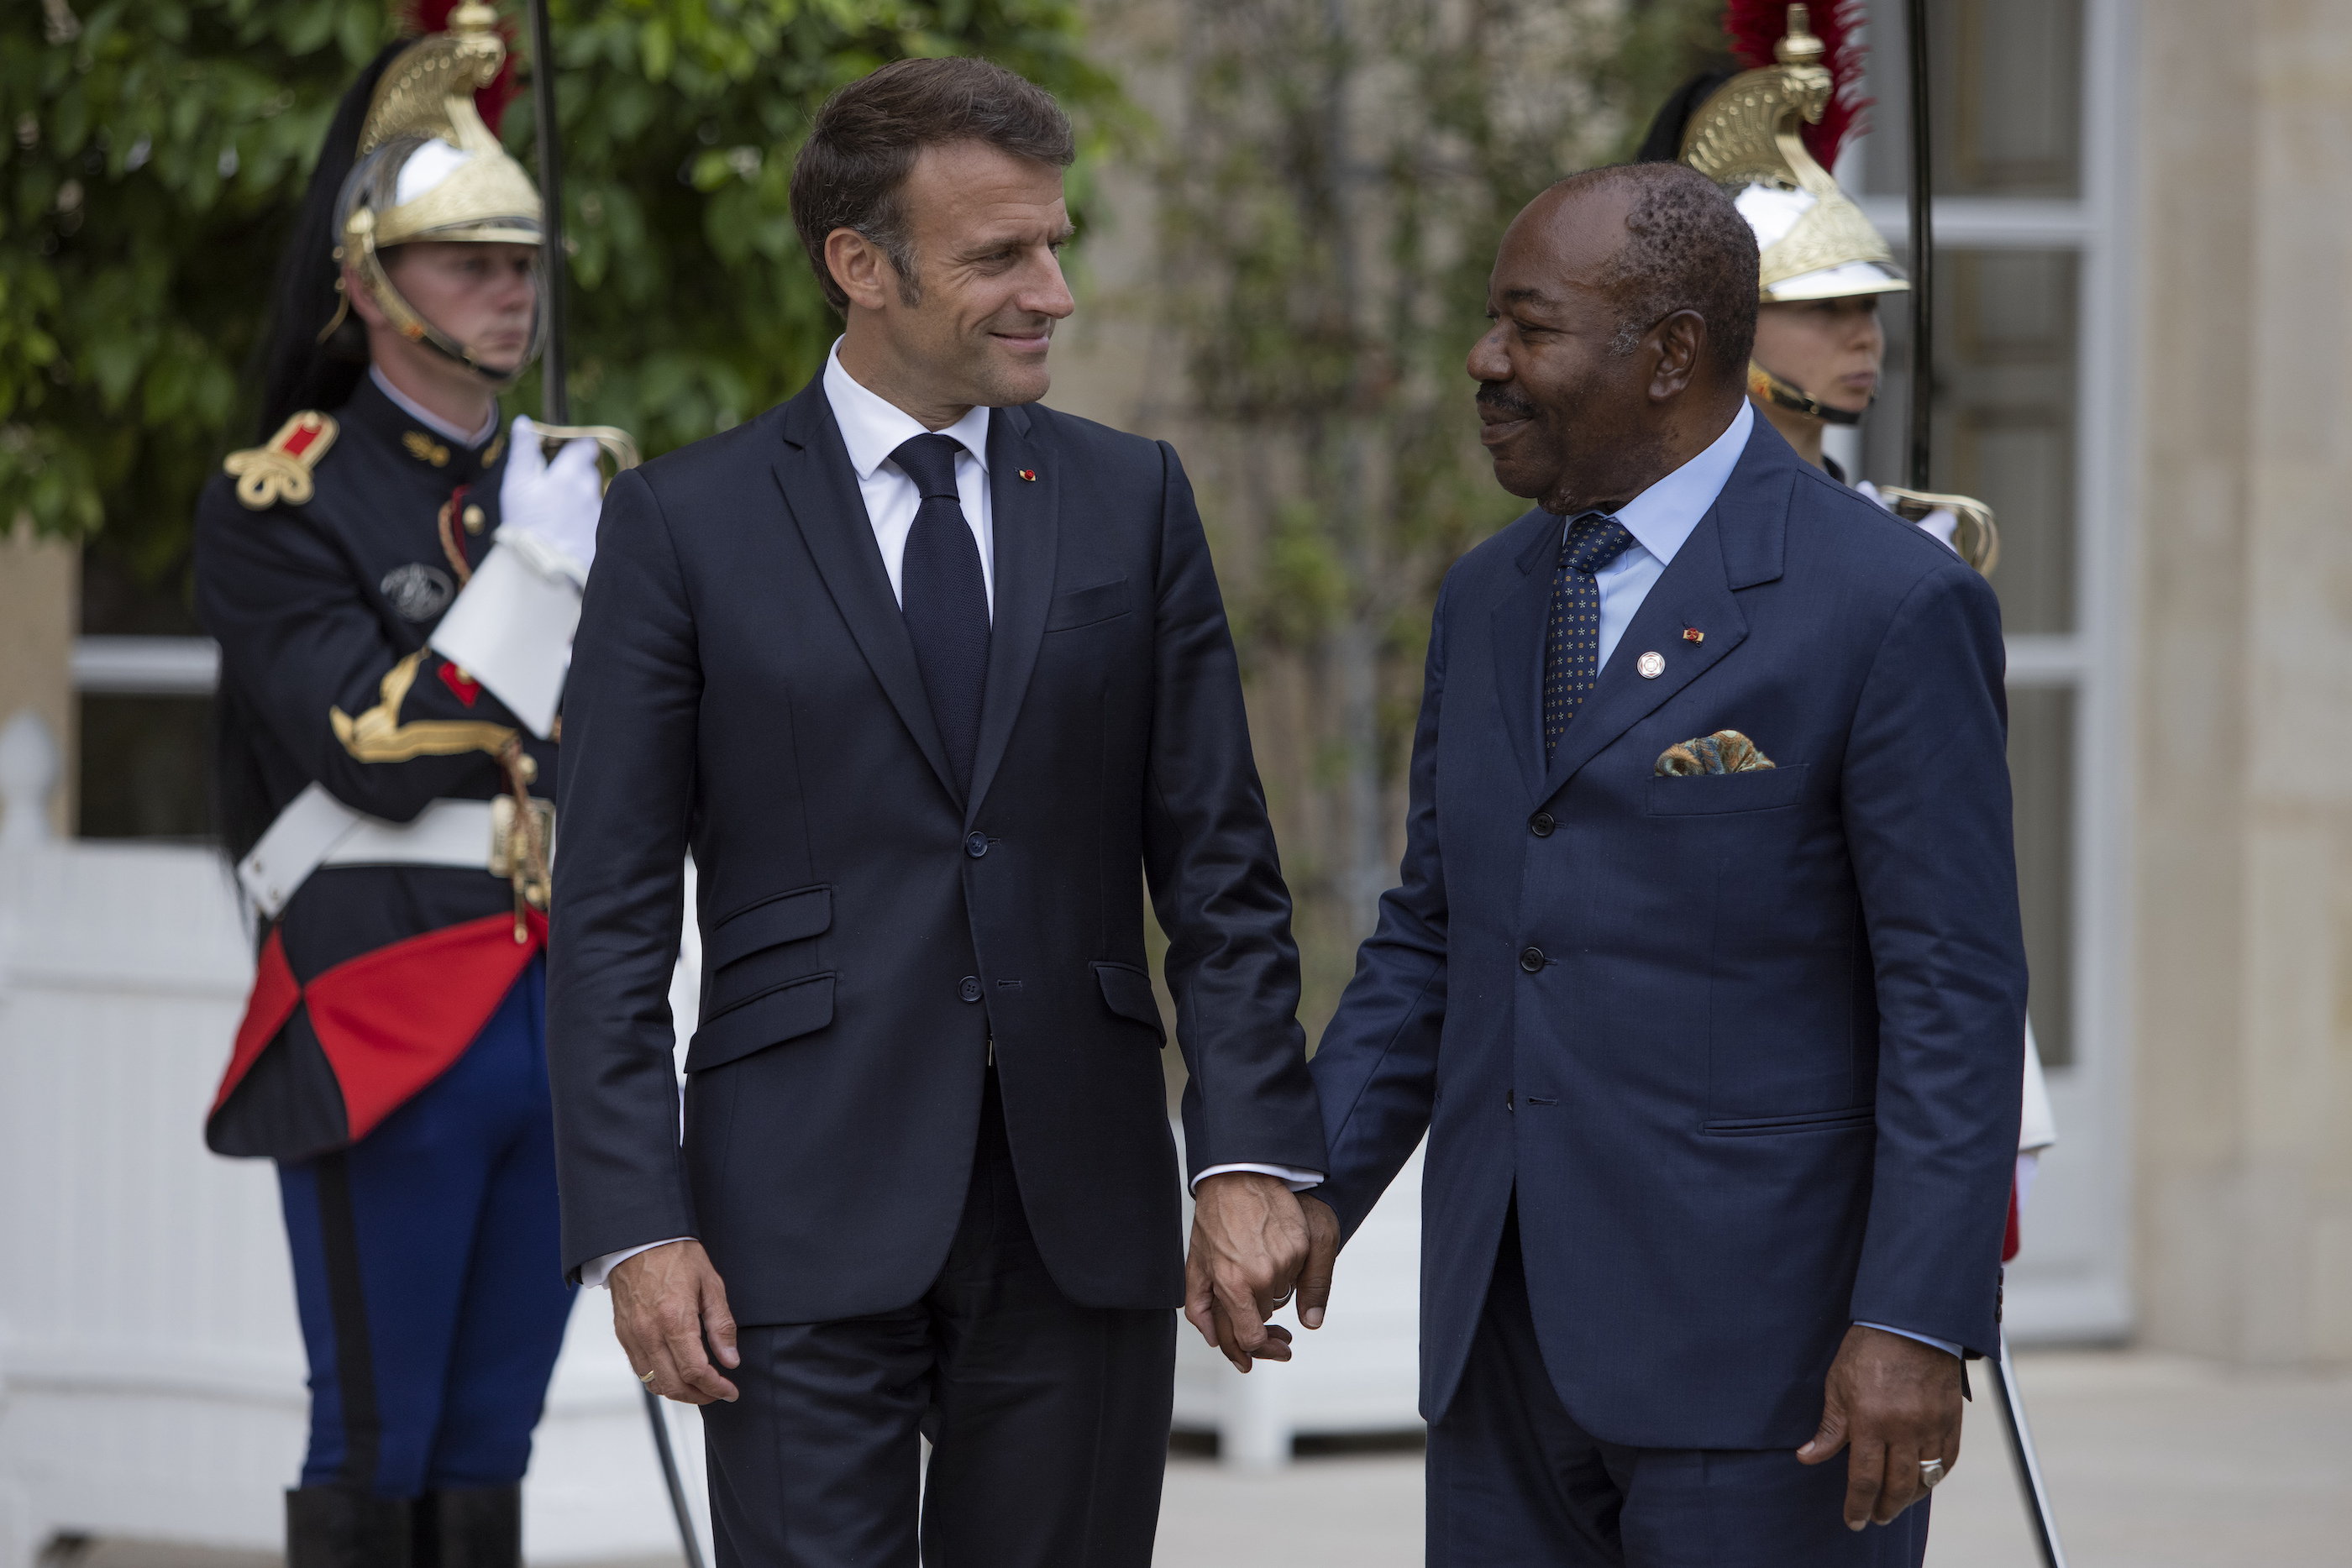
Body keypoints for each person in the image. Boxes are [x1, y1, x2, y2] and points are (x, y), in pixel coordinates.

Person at [545, 56, 1331, 1568]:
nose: (1054, 290)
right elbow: (610, 920)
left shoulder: (1137, 502)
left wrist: (1244, 1156)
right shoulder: (679, 526)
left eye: (1058, 245)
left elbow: (1223, 873)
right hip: (786, 1220)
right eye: (1000, 256)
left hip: (1081, 1214)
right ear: (860, 267)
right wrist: (638, 1227)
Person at [1296, 155, 2026, 1565]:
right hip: (1501, 1347)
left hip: (1772, 1369)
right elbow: (1442, 932)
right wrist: (1309, 1185)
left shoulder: (1888, 606)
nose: (1485, 360)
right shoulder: (1491, 594)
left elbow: (1952, 994)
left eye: (1530, 325)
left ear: (1671, 353)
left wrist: (1915, 1320)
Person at [196, 7, 605, 1565]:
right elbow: (362, 748)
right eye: (469, 264)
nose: (511, 293)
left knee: (493, 1440)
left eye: (522, 262)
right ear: (371, 283)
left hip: (560, 1015)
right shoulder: (280, 497)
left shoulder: (567, 483)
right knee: (375, 1434)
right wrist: (535, 578)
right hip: (386, 997)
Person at [1641, 0, 2060, 1195]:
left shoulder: (1907, 554)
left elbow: (1950, 930)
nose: (1863, 338)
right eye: (1825, 307)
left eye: (1867, 309)